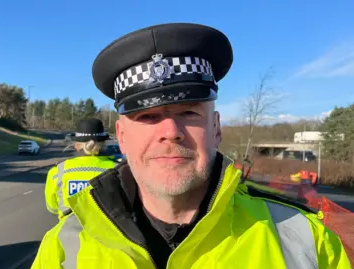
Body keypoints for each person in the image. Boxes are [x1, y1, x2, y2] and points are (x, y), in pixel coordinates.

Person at [32, 23, 351, 268]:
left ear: (215, 128)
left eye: (189, 112)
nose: (170, 131)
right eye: (147, 116)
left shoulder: (307, 239)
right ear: (122, 136)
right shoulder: (62, 248)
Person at [44, 118, 119, 219]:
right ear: (104, 144)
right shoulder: (117, 170)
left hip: (68, 233)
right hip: (107, 234)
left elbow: (52, 208)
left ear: (76, 145)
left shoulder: (58, 171)